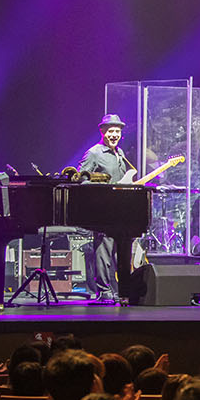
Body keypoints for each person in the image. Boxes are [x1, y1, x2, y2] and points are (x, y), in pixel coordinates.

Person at [77, 114, 133, 304]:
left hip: (122, 210)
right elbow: (80, 179)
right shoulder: (94, 153)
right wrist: (99, 189)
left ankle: (121, 289)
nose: (114, 134)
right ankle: (103, 291)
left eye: (117, 131)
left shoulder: (121, 153)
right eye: (111, 131)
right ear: (102, 132)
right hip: (103, 209)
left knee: (120, 251)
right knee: (103, 249)